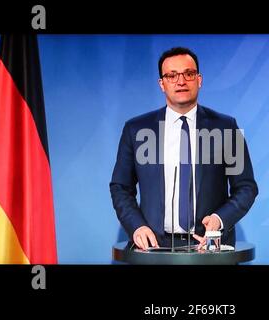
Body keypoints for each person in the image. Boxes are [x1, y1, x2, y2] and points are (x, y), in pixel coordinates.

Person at [110, 47, 258, 251]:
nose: (181, 81)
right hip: (154, 248)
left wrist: (219, 220)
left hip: (209, 248)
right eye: (171, 76)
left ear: (199, 80)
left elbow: (246, 187)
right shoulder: (136, 129)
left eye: (188, 74)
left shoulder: (226, 127)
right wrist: (137, 226)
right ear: (162, 84)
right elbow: (120, 186)